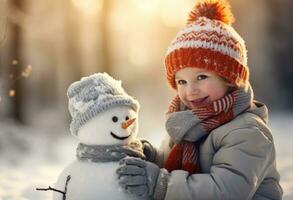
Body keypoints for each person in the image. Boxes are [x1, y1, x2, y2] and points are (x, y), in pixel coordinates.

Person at [116, 0, 283, 199]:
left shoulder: (247, 131)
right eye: (182, 81)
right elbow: (171, 162)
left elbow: (225, 191)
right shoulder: (184, 121)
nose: (190, 90)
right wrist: (151, 157)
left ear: (229, 79)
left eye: (201, 77)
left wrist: (159, 183)